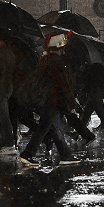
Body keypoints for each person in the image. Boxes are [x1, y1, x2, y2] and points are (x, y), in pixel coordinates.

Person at [17, 33, 87, 167]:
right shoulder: (57, 63)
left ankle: (65, 155)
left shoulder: (44, 60)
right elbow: (63, 85)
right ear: (61, 48)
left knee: (53, 128)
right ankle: (27, 154)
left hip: (44, 101)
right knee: (43, 128)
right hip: (52, 101)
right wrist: (72, 103)